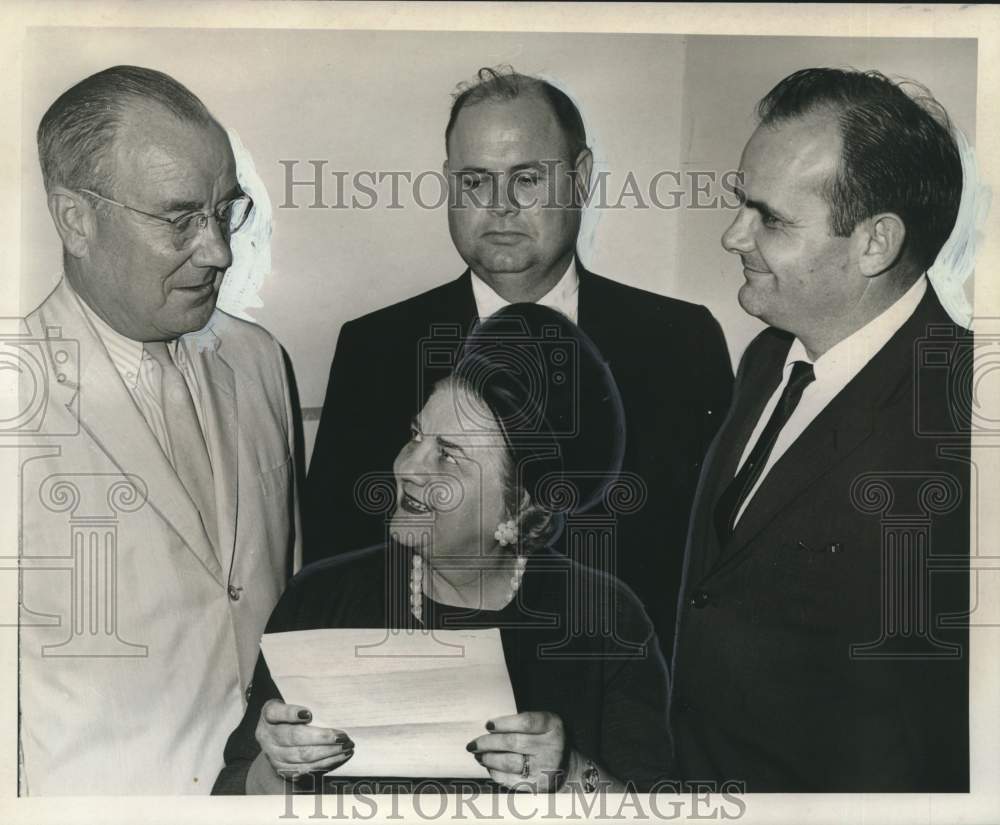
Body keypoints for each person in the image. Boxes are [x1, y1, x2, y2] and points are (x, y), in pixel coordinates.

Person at [303, 67, 733, 661]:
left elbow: (710, 570)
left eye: (527, 179)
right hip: (431, 702)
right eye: (475, 181)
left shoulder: (680, 341)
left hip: (629, 707)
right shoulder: (373, 348)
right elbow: (334, 567)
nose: (499, 207)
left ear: (580, 180)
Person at [214, 304, 673, 795]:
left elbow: (655, 810)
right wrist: (276, 767)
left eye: (448, 455)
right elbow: (231, 791)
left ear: (520, 507)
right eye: (416, 435)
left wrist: (568, 772)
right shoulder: (321, 599)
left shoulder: (606, 620)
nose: (407, 467)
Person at [670, 68, 970, 792]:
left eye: (770, 218)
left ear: (875, 243)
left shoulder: (965, 422)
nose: (732, 234)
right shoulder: (767, 357)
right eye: (743, 204)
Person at [18, 66, 300, 795]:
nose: (218, 252)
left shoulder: (261, 361)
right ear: (75, 218)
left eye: (224, 212)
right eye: (179, 219)